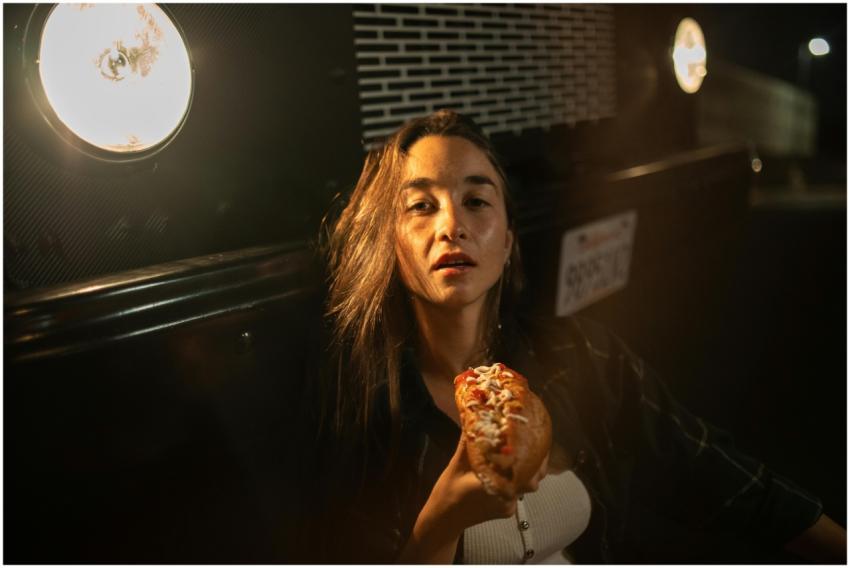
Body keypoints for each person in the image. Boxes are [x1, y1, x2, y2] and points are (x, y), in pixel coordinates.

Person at [298, 109, 846, 563]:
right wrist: (442, 522)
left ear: (508, 241)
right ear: (389, 244)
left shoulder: (577, 354)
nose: (451, 226)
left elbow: (705, 467)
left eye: (476, 200)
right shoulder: (364, 405)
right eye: (421, 205)